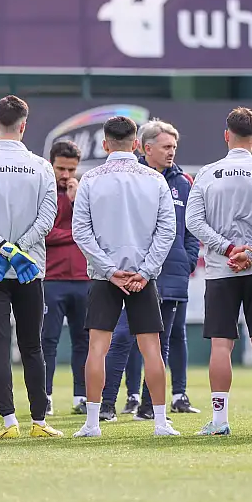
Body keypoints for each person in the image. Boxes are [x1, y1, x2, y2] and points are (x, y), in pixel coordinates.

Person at [0, 96, 63, 439]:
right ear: (24, 126)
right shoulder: (41, 167)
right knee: (32, 345)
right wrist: (18, 249)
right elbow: (47, 218)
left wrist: (2, 247)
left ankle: (9, 421)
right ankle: (39, 421)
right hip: (28, 268)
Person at [71, 115, 179, 438]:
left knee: (97, 348)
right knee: (152, 350)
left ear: (105, 144)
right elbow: (167, 231)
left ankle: (92, 423)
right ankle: (160, 422)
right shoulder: (155, 180)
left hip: (106, 277)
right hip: (141, 277)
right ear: (136, 144)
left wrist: (108, 270)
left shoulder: (90, 179)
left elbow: (80, 231)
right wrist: (145, 271)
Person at [185, 107, 252, 436]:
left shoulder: (208, 173)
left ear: (226, 135)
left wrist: (226, 249)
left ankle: (220, 420)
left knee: (221, 344)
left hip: (221, 270)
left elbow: (193, 221)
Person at [102, 120, 201, 422]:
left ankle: (148, 406)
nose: (172, 152)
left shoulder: (183, 181)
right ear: (146, 148)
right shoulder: (134, 178)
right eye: (166, 146)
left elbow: (190, 228)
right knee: (122, 336)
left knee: (163, 341)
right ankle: (107, 404)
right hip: (134, 271)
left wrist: (187, 260)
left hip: (171, 273)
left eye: (174, 147)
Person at [41, 140, 91, 417]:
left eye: (71, 169)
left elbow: (94, 230)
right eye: (60, 168)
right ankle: (45, 397)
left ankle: (81, 397)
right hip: (51, 278)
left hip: (84, 279)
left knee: (83, 341)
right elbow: (43, 232)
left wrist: (76, 202)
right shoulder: (43, 192)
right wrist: (75, 234)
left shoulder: (84, 193)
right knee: (47, 340)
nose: (65, 174)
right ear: (51, 164)